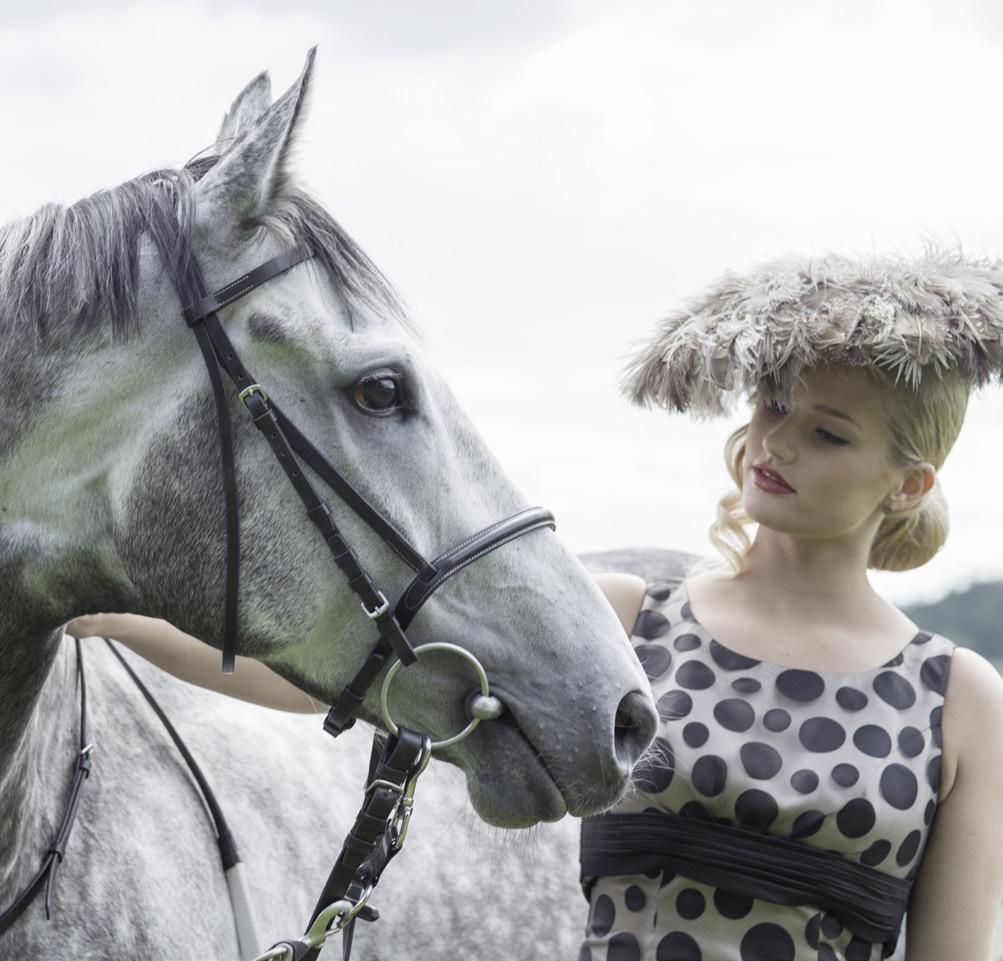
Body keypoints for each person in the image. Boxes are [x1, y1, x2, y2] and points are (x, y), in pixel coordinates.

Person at [577, 251, 1003, 961]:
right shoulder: (621, 619)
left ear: (907, 484)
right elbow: (372, 682)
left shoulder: (959, 699)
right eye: (773, 404)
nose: (775, 442)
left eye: (826, 432)